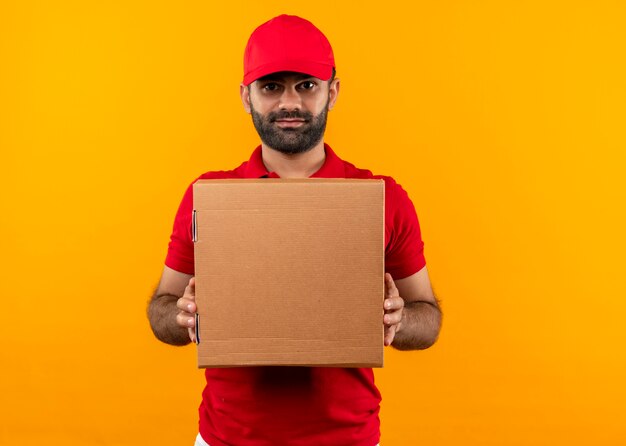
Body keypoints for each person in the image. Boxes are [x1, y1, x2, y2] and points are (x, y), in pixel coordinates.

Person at [147, 14, 442, 446]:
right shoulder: (209, 196)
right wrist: (183, 315)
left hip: (347, 438)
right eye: (271, 87)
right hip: (227, 438)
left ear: (333, 91)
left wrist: (399, 319)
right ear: (246, 97)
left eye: (306, 85)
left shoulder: (379, 197)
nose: (290, 103)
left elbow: (428, 318)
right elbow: (162, 309)